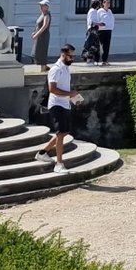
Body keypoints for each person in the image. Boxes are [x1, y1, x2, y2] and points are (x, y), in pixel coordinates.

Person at [41, 43, 84, 176]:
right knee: (60, 133)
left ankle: (42, 153)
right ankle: (59, 164)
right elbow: (52, 89)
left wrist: (73, 97)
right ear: (63, 55)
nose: (72, 59)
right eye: (70, 56)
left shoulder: (65, 68)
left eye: (73, 56)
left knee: (64, 132)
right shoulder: (56, 69)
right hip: (56, 104)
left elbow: (64, 87)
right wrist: (70, 94)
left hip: (65, 104)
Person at [94, 0, 115, 64]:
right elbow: (96, 19)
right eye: (107, 2)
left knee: (106, 46)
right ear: (103, 3)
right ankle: (96, 60)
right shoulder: (99, 11)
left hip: (108, 30)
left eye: (109, 3)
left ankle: (104, 60)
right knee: (99, 46)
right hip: (101, 30)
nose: (108, 4)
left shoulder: (109, 11)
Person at [31, 0, 51, 67]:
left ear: (47, 6)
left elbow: (44, 26)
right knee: (37, 51)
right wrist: (35, 32)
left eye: (42, 5)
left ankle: (43, 67)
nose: (40, 7)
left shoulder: (47, 14)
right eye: (40, 5)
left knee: (41, 52)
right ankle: (44, 67)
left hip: (43, 36)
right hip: (39, 36)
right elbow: (39, 25)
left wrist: (36, 34)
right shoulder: (42, 14)